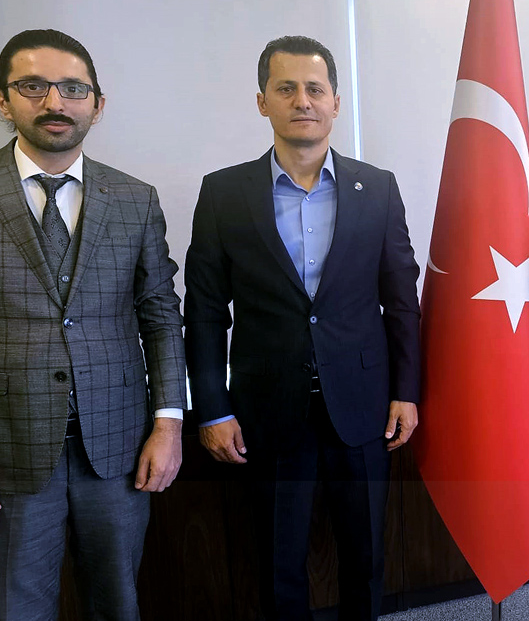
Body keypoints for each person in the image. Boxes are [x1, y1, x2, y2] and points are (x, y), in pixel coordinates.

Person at [0, 29, 186, 620]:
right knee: (14, 610)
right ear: (2, 99)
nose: (55, 102)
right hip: (0, 454)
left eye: (73, 89)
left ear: (98, 104)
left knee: (118, 605)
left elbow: (161, 315)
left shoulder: (135, 198)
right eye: (33, 86)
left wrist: (168, 424)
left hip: (118, 449)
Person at [184, 35, 420, 621]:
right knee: (278, 561)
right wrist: (212, 409)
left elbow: (401, 301)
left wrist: (407, 391)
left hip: (363, 405)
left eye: (315, 89)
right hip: (267, 408)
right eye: (285, 88)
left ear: (336, 102)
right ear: (262, 101)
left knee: (365, 557)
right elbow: (206, 310)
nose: (302, 101)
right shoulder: (223, 193)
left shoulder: (378, 188)